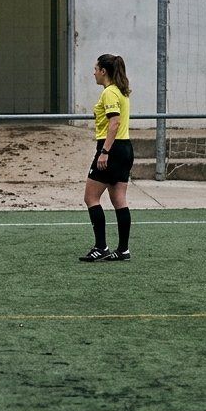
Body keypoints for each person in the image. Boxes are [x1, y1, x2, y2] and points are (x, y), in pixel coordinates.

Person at [80, 54, 133, 262]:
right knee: (119, 199)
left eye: (96, 68)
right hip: (125, 148)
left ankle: (101, 246)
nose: (93, 72)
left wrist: (105, 151)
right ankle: (123, 250)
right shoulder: (120, 91)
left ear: (103, 71)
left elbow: (114, 123)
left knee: (90, 198)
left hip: (112, 148)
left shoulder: (110, 93)